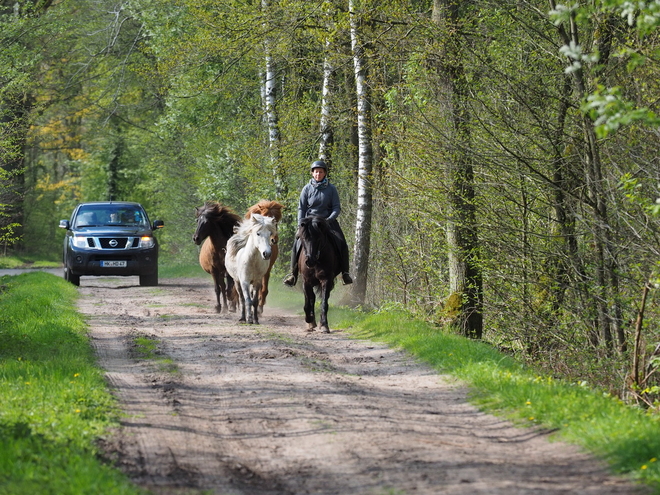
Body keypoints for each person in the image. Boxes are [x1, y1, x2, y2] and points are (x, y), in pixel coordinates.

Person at [283, 160, 353, 287]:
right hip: (309, 222)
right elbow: (301, 208)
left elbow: (336, 207)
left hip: (327, 221)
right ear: (312, 173)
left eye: (321, 172)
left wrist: (329, 219)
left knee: (341, 242)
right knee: (297, 241)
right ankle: (293, 274)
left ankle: (345, 273)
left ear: (325, 173)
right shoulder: (306, 189)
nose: (318, 174)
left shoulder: (331, 189)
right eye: (316, 172)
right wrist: (301, 223)